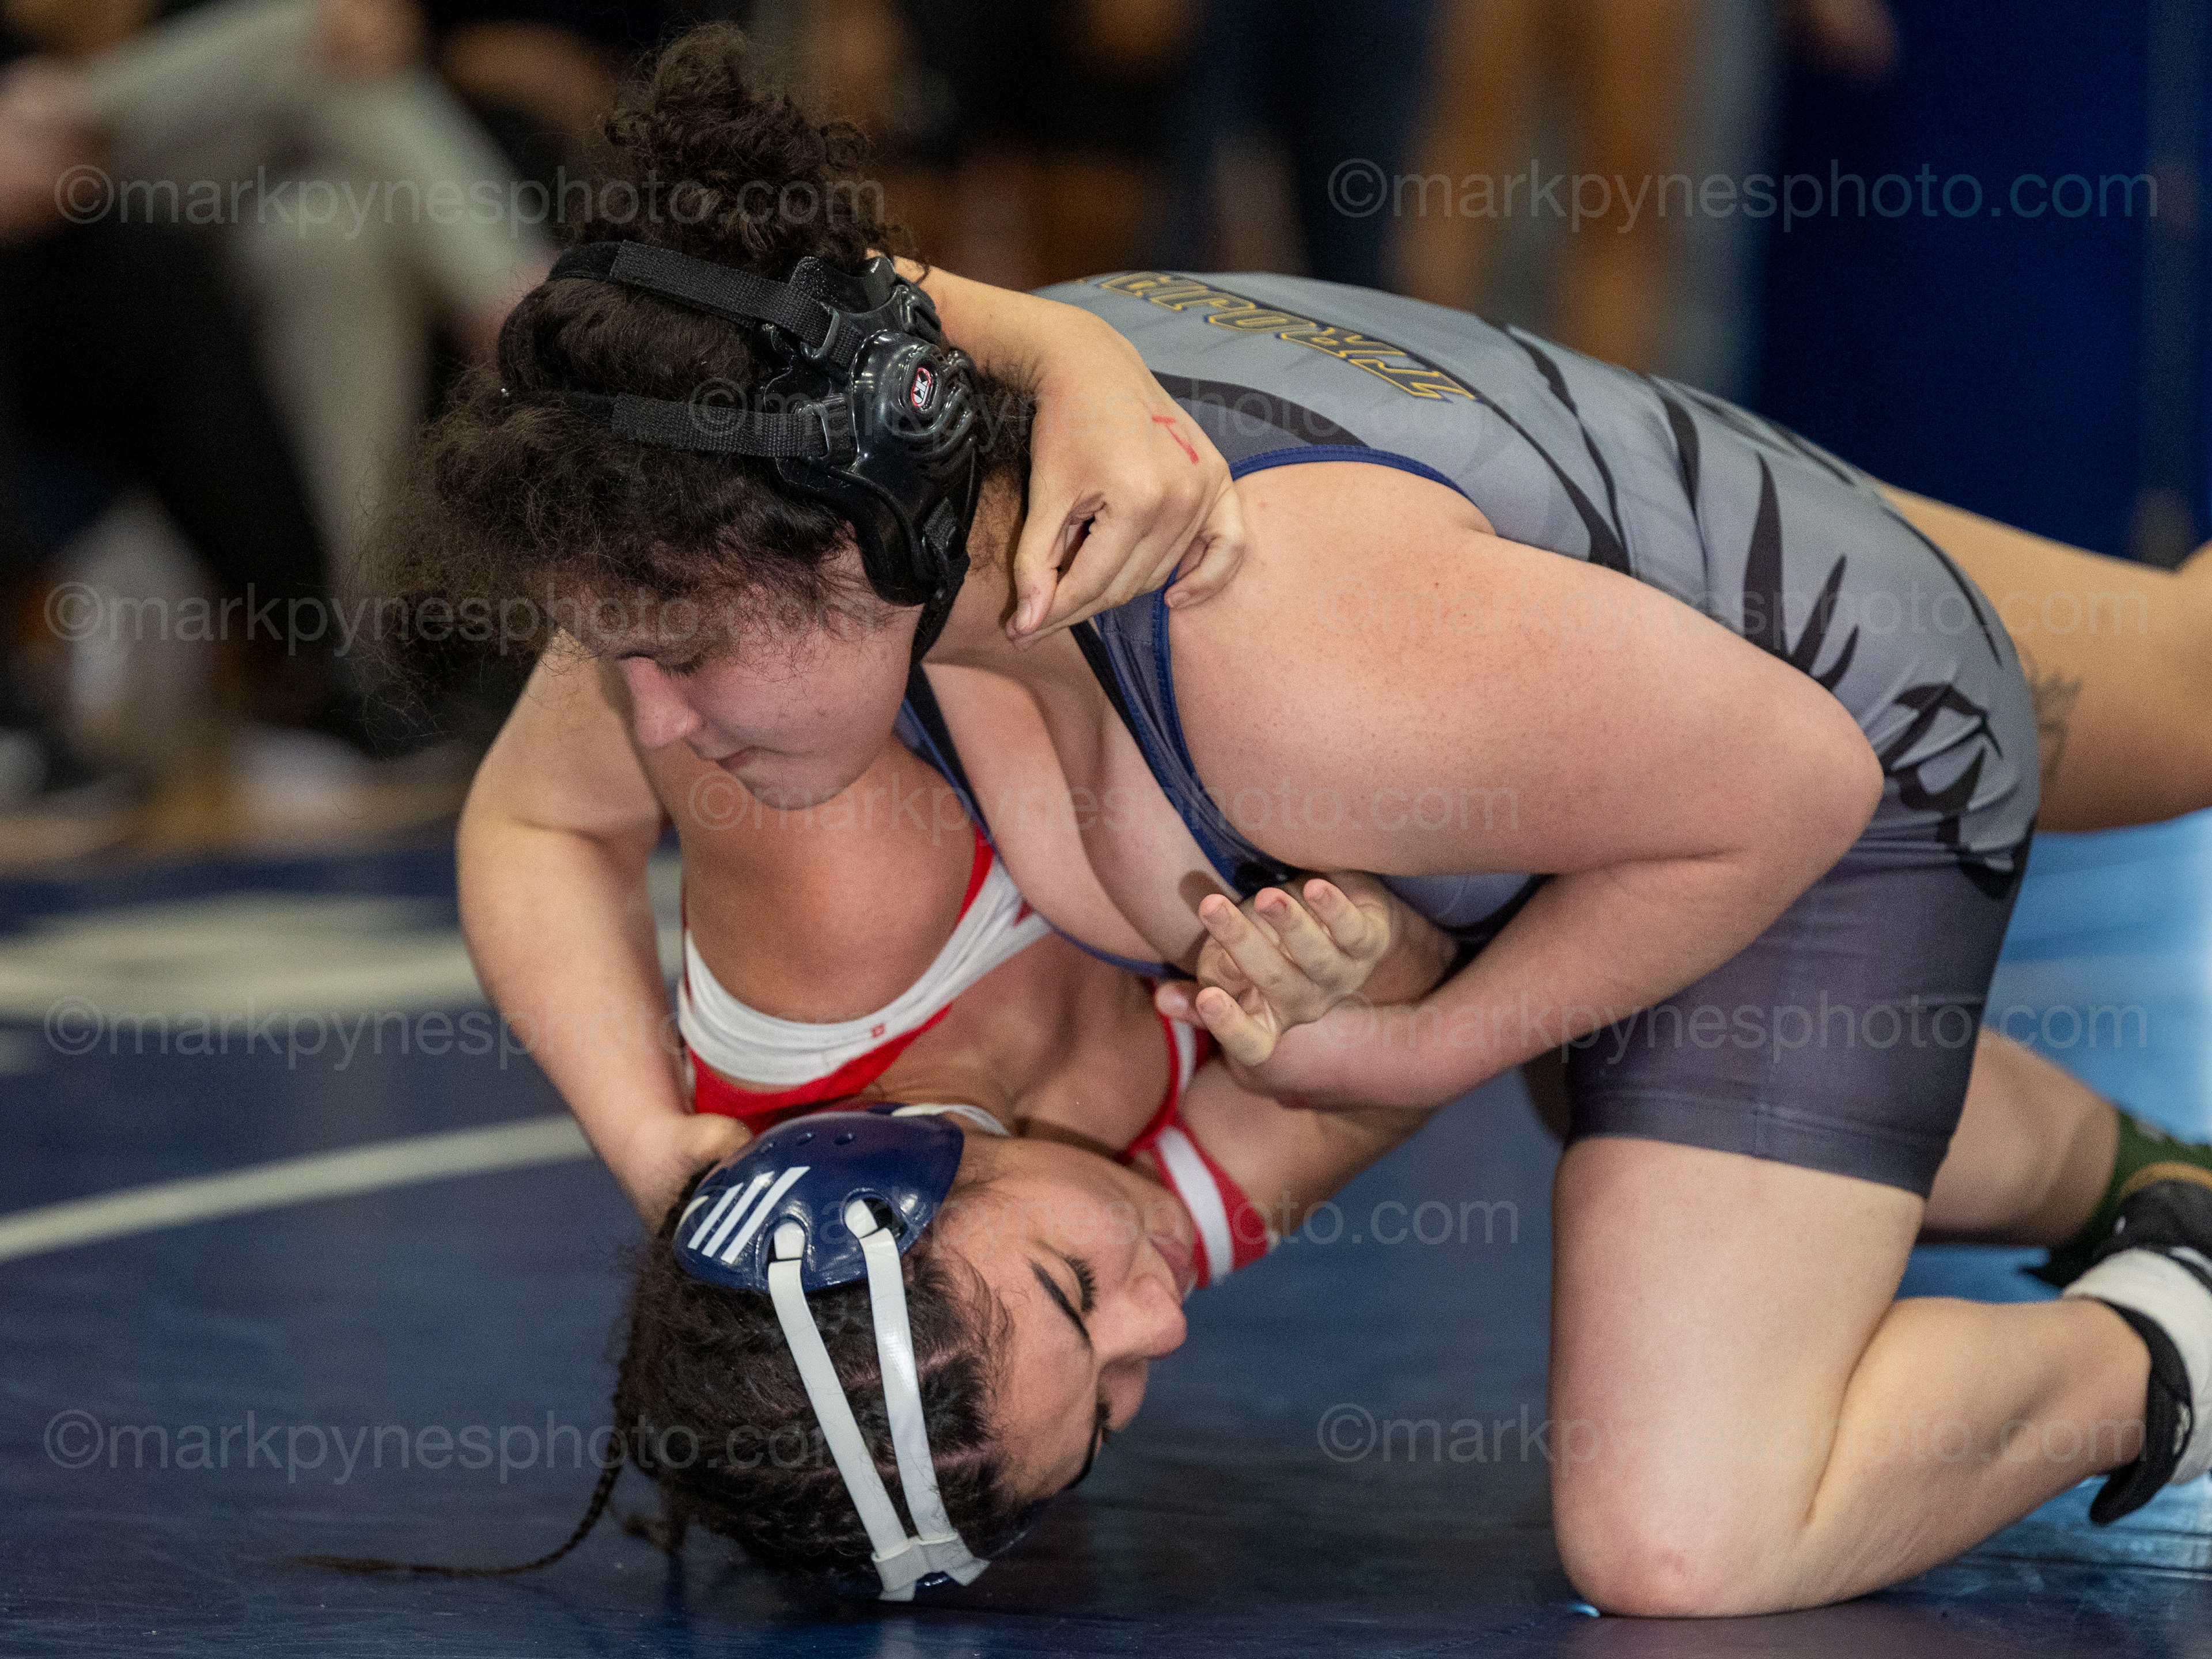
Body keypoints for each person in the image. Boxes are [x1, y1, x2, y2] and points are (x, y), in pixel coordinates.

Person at [387, 22, 2212, 1616]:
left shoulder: (925, 774)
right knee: (1621, 998)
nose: (1164, 1327)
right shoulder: (822, 550)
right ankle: (2149, 1181)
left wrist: (1420, 1043)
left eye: (1077, 1309)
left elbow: (1789, 787)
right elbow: (759, 313)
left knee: (1684, 1533)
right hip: (1536, 509)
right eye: (1112, 1411)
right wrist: (1067, 350)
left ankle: (2183, 1333)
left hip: (1803, 699)